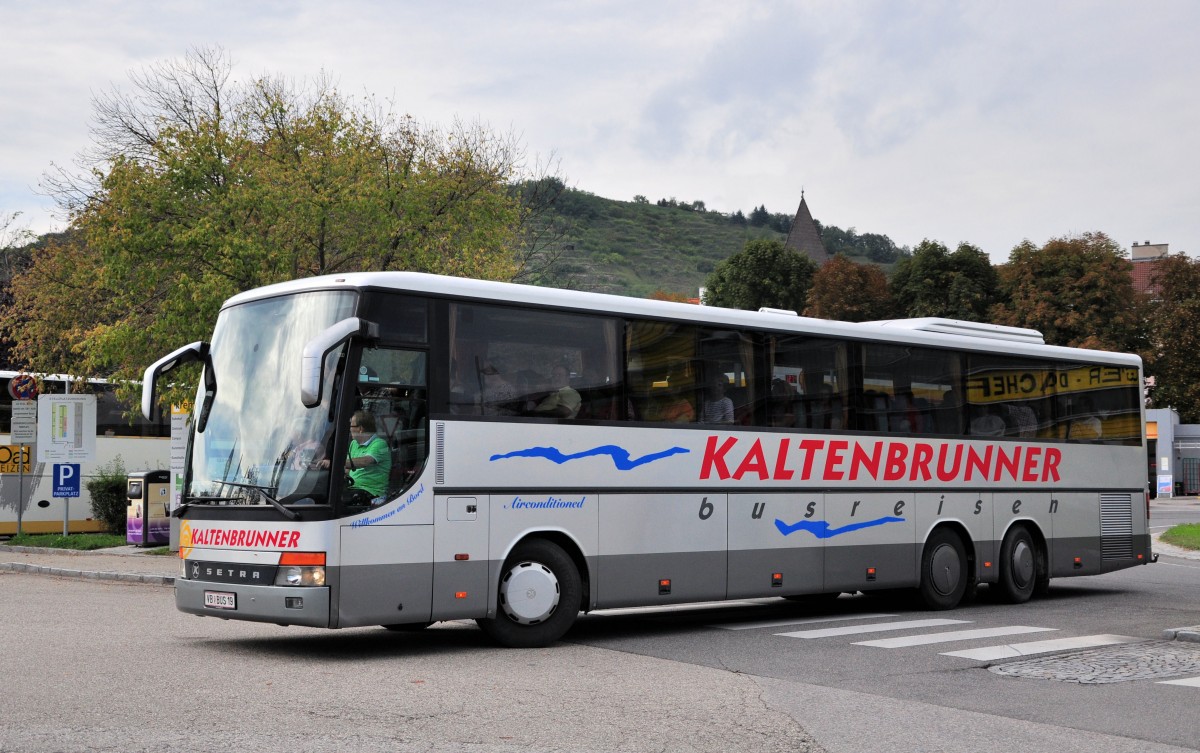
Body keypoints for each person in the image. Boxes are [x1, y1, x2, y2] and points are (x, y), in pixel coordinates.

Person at [325, 410, 391, 501]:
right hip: (354, 488)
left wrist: (334, 463)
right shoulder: (354, 444)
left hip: (372, 493)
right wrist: (328, 468)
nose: (349, 429)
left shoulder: (380, 444)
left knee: (338, 501)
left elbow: (365, 462)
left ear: (360, 429)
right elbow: (348, 468)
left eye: (351, 426)